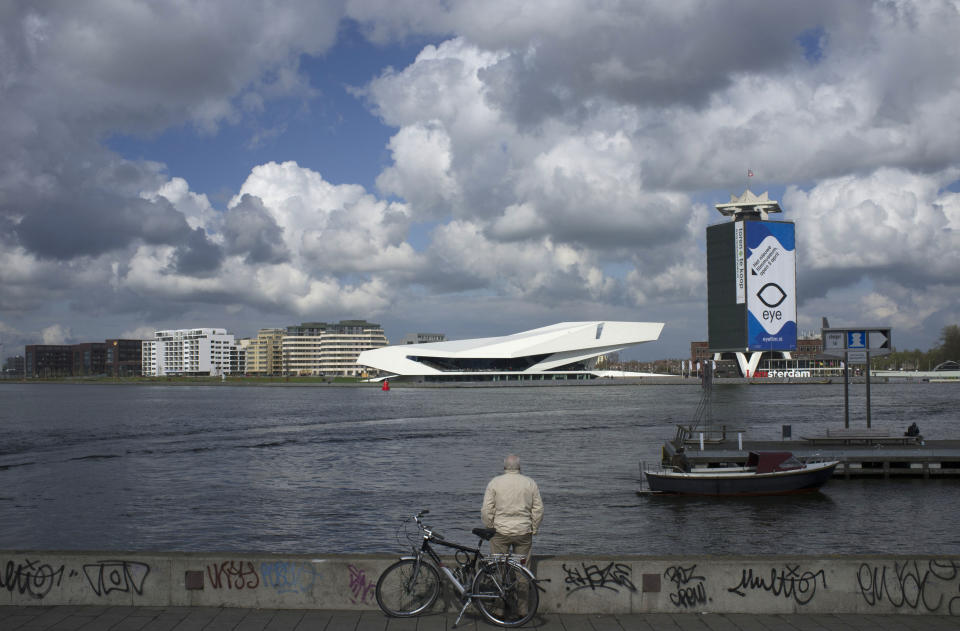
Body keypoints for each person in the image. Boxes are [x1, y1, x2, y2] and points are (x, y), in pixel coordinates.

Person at [481, 454, 543, 560]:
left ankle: (501, 576)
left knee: (499, 566)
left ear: (504, 467)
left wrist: (490, 527)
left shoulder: (494, 483)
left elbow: (487, 509)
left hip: (500, 530)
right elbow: (538, 509)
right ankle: (523, 576)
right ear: (519, 467)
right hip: (523, 530)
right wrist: (534, 528)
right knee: (522, 567)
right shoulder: (530, 483)